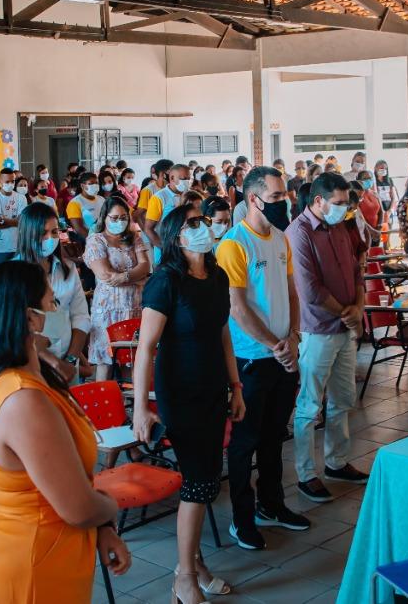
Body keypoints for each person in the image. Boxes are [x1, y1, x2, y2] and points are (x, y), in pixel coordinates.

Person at [0, 261, 131, 602]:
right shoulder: (22, 400)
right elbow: (78, 507)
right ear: (30, 318)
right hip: (30, 569)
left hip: (53, 554)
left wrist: (101, 529)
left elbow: (62, 480)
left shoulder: (33, 378)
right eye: (52, 301)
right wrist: (109, 506)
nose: (58, 310)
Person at [133, 206, 242, 603]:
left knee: (208, 478)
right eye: (193, 223)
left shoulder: (216, 275)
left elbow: (223, 336)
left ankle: (195, 565)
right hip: (179, 392)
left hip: (214, 387)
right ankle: (183, 577)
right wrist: (141, 407)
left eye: (206, 221)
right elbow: (146, 348)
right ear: (177, 236)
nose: (205, 228)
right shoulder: (165, 282)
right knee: (197, 483)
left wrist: (236, 386)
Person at [215, 166, 308, 550]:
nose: (282, 202)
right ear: (253, 199)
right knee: (245, 442)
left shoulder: (281, 239)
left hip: (282, 354)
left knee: (274, 436)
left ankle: (273, 504)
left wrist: (294, 336)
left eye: (284, 195)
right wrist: (274, 344)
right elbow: (237, 308)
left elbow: (291, 292)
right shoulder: (234, 244)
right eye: (274, 197)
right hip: (251, 358)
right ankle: (242, 516)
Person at [284, 173, 367, 504]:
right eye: (338, 203)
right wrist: (345, 311)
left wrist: (358, 307)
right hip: (317, 329)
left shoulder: (340, 227)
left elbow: (357, 271)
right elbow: (310, 289)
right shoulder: (298, 233)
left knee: (343, 398)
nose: (344, 209)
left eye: (346, 203)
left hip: (345, 326)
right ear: (317, 201)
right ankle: (306, 473)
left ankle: (336, 461)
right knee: (309, 405)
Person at [16, 203, 91, 384]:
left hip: (67, 359)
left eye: (55, 232)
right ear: (28, 234)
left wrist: (71, 358)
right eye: (43, 233)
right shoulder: (13, 274)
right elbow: (14, 327)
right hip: (29, 363)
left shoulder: (68, 269)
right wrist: (51, 361)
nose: (50, 238)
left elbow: (80, 315)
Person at [83, 195, 150, 381]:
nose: (119, 222)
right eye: (114, 218)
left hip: (134, 306)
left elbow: (145, 267)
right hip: (108, 308)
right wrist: (134, 276)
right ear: (104, 217)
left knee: (131, 359)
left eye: (123, 218)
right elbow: (105, 275)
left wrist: (124, 276)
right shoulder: (96, 240)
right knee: (106, 361)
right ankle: (104, 407)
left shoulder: (133, 237)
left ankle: (133, 408)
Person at [144, 162, 189, 256]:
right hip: (165, 252)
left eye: (188, 179)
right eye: (183, 179)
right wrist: (164, 248)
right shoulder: (159, 198)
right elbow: (148, 228)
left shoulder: (191, 196)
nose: (186, 182)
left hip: (187, 250)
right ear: (172, 178)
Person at [0, 169, 25, 264]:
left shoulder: (21, 198)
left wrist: (2, 220)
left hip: (18, 245)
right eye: (7, 182)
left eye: (13, 181)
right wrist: (15, 221)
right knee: (0, 277)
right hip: (0, 247)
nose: (10, 184)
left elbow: (22, 221)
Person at [64, 173, 104, 240]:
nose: (95, 185)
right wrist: (94, 240)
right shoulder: (75, 203)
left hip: (104, 236)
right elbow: (79, 228)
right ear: (82, 186)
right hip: (87, 239)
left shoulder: (102, 199)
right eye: (91, 184)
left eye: (96, 183)